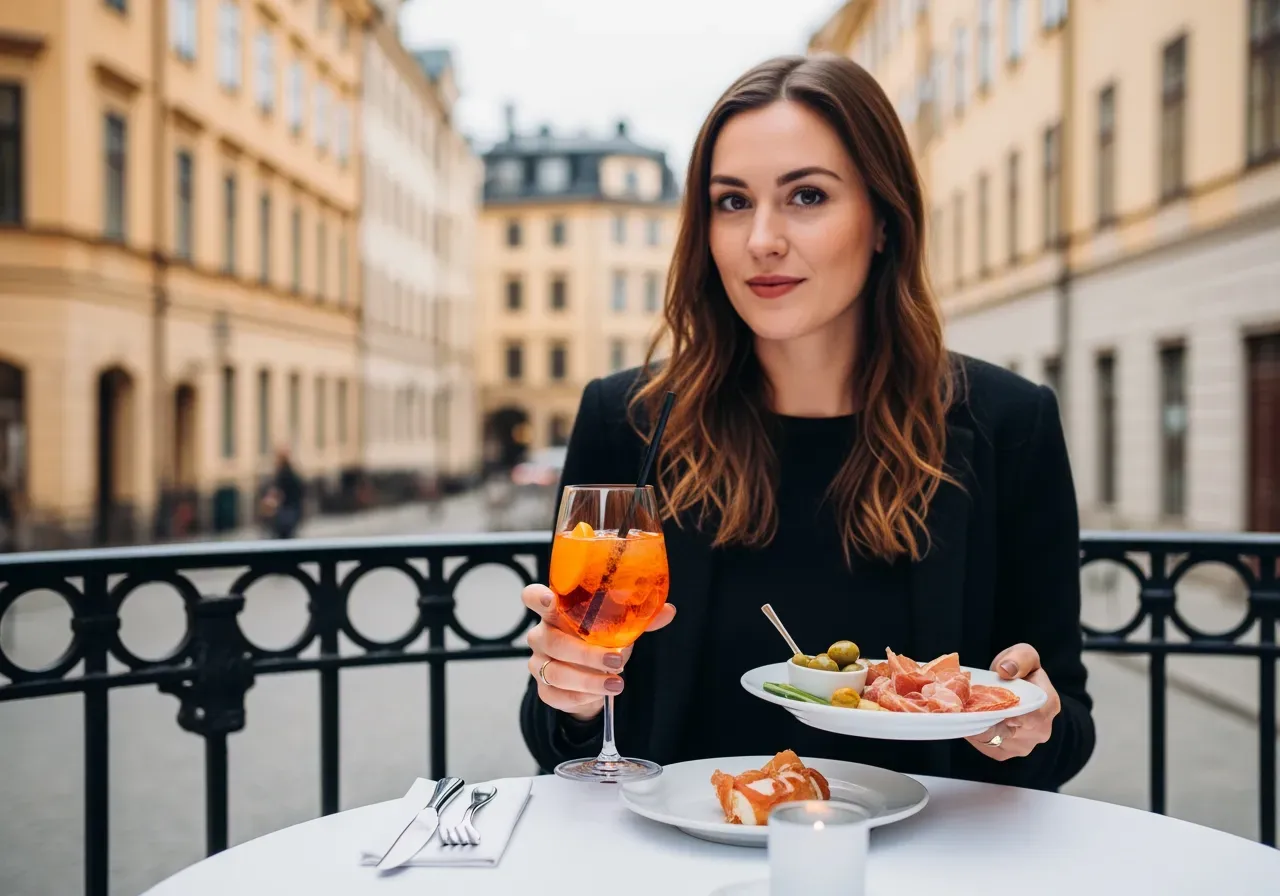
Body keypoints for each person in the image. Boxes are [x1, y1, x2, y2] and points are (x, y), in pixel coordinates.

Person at [518, 54, 1096, 792]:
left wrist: (1023, 723)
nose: (762, 238)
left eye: (808, 196)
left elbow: (1065, 727)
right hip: (683, 861)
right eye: (732, 202)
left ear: (885, 221)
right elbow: (552, 739)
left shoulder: (1008, 424)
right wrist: (566, 694)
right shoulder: (627, 420)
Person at [261, 447, 304, 539]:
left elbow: (278, 493)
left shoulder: (283, 475)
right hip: (291, 511)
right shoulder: (290, 474)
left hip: (285, 512)